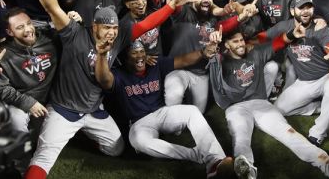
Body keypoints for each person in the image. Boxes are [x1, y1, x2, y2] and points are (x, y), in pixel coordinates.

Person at [24, 0, 196, 178]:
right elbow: (52, 6)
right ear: (94, 26)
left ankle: (83, 134)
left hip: (94, 110)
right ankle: (64, 134)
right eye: (106, 28)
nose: (111, 33)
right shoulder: (74, 33)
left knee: (115, 148)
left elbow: (147, 24)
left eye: (115, 28)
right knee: (44, 157)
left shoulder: (119, 37)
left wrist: (172, 5)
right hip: (65, 110)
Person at [207, 23, 329, 179]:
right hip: (236, 108)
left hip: (260, 103)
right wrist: (213, 47)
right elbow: (210, 55)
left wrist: (292, 34)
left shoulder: (256, 53)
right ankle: (247, 172)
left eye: (241, 40)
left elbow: (278, 42)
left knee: (289, 133)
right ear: (227, 45)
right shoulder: (220, 61)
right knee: (241, 137)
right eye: (235, 42)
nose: (241, 44)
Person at [97, 38, 235, 179]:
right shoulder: (118, 74)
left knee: (192, 111)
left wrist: (202, 52)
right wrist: (101, 55)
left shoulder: (155, 64)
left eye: (142, 52)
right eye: (134, 53)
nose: (140, 56)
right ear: (125, 59)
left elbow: (183, 60)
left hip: (162, 113)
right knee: (138, 140)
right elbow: (103, 80)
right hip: (139, 122)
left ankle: (217, 161)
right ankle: (197, 156)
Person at [261, 0, 329, 147]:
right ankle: (321, 106)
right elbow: (263, 38)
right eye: (301, 8)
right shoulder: (284, 26)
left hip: (328, 76)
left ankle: (317, 134)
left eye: (309, 7)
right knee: (280, 109)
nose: (306, 11)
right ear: (293, 11)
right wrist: (244, 42)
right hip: (305, 82)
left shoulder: (320, 26)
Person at [0, 8, 64, 133]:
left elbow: (72, 37)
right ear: (10, 32)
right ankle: (21, 148)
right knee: (16, 120)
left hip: (51, 98)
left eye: (29, 23)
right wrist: (28, 103)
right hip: (20, 101)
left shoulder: (49, 39)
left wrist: (76, 22)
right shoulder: (2, 54)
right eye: (20, 27)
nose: (28, 29)